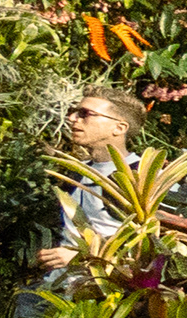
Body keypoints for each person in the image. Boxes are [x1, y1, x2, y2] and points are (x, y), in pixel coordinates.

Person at [40, 90, 149, 268]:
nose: (72, 118)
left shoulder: (144, 175)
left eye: (85, 114)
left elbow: (158, 241)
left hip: (109, 288)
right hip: (60, 284)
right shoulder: (77, 173)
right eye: (74, 112)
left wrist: (84, 256)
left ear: (119, 128)